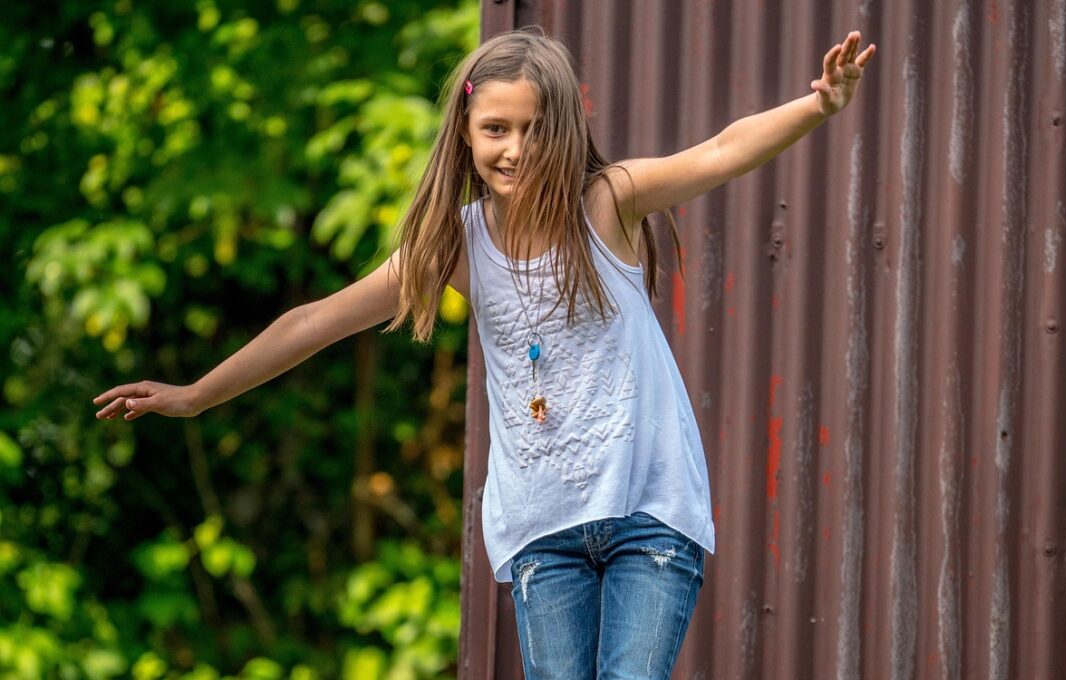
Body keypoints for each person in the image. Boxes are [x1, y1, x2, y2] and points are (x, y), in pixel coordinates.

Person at [95, 27, 875, 680]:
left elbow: (722, 150)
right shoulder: (455, 245)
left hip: (648, 513)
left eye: (534, 129)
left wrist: (819, 103)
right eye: (496, 129)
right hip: (542, 531)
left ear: (562, 130)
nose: (515, 150)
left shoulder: (606, 202)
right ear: (466, 134)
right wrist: (196, 394)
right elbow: (315, 321)